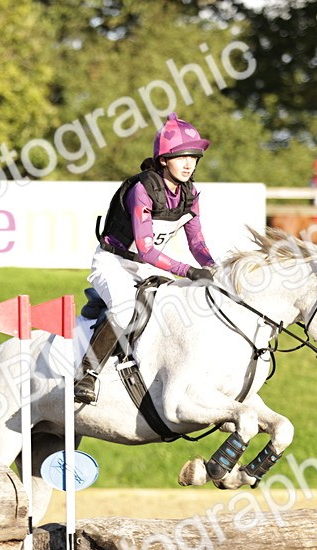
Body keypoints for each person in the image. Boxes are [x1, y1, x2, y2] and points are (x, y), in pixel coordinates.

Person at [74, 113, 216, 404]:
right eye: (181, 157)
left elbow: (196, 241)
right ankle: (87, 374)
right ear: (164, 159)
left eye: (194, 157)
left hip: (143, 267)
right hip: (114, 263)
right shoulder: (143, 189)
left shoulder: (190, 193)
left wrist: (214, 267)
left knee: (176, 306)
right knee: (126, 309)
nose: (189, 164)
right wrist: (188, 271)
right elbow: (146, 249)